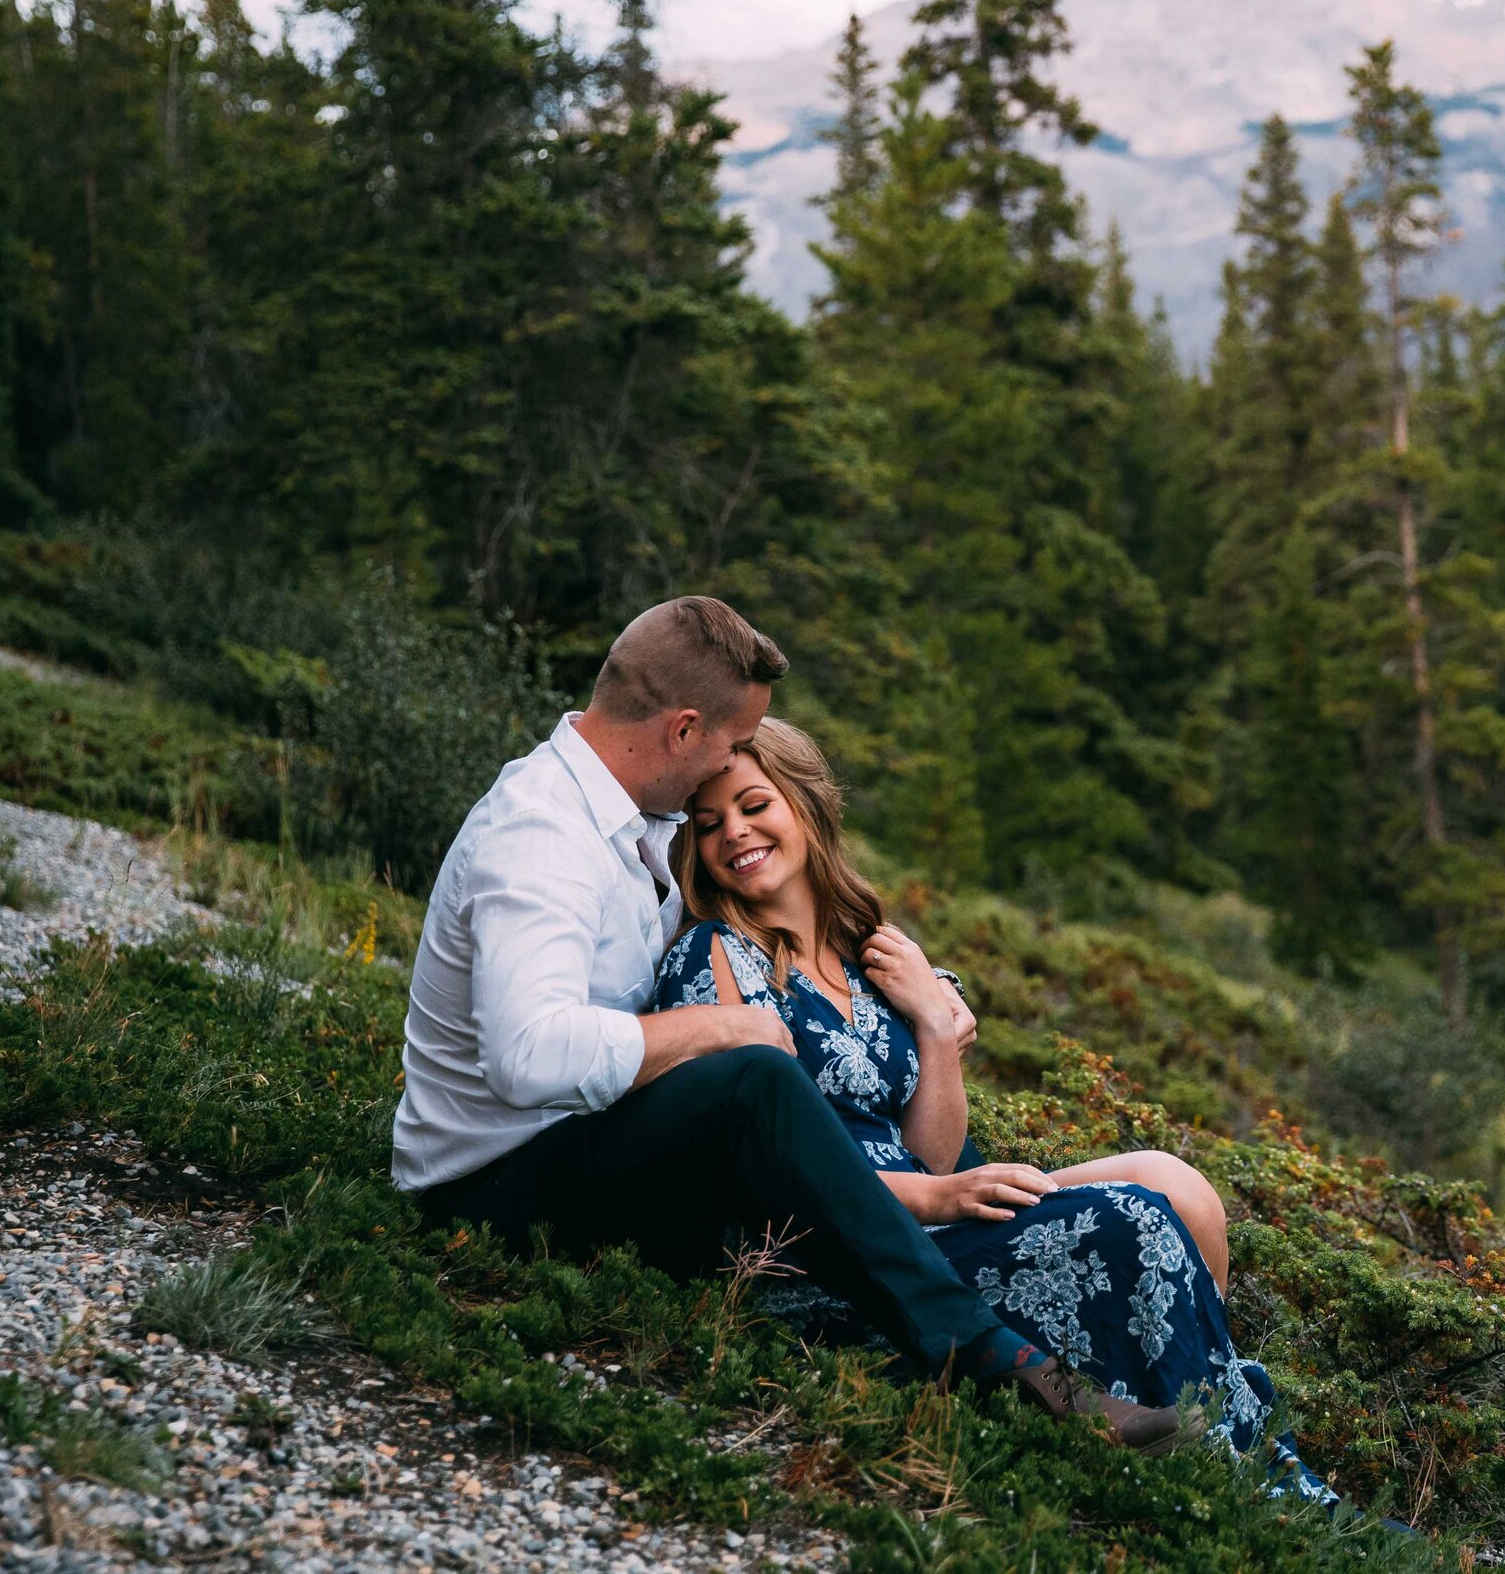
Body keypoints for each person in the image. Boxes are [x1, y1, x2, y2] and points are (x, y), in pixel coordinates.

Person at [389, 596, 1192, 1451]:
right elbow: (527, 1054)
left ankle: (978, 1348)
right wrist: (718, 1031)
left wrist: (930, 999)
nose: (732, 770)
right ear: (684, 730)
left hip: (591, 1153)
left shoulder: (628, 819)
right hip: (488, 1195)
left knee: (756, 1083)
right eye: (734, 746)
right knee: (753, 1076)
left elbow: (777, 921)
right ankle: (992, 1359)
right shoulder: (542, 836)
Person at [650, 715, 1337, 1501]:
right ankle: (1238, 1475)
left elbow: (936, 1152)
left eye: (753, 805)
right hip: (838, 1258)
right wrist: (937, 1196)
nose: (734, 833)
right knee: (1134, 1222)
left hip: (926, 1211)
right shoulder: (713, 959)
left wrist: (934, 1026)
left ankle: (1197, 1430)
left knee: (1172, 1180)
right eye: (708, 826)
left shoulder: (870, 949)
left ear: (805, 804)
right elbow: (762, 1170)